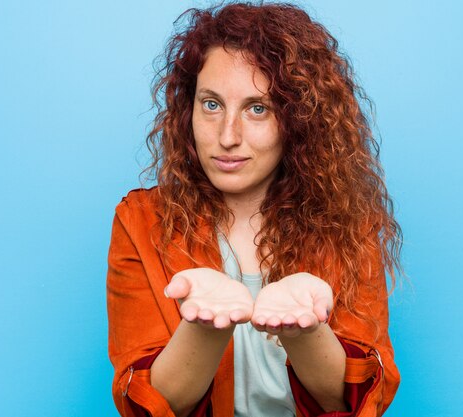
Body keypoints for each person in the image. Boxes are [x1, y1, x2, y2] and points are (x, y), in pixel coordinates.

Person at [107, 3, 402, 417]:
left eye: (257, 108)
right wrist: (204, 328)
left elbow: (356, 403)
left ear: (299, 119)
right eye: (211, 104)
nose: (228, 136)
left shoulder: (350, 226)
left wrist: (304, 331)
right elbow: (144, 406)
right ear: (187, 109)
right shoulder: (141, 222)